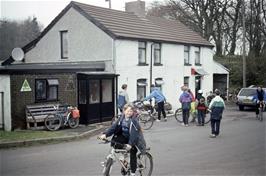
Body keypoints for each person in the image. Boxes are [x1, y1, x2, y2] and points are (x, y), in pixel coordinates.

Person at [99, 103, 146, 176]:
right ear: (124, 111)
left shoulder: (134, 121)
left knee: (133, 151)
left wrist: (130, 144)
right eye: (127, 111)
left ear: (133, 112)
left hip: (134, 139)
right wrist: (105, 134)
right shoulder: (121, 118)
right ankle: (124, 158)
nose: (129, 112)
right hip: (125, 137)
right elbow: (113, 127)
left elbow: (134, 134)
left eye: (131, 111)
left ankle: (133, 173)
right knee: (115, 143)